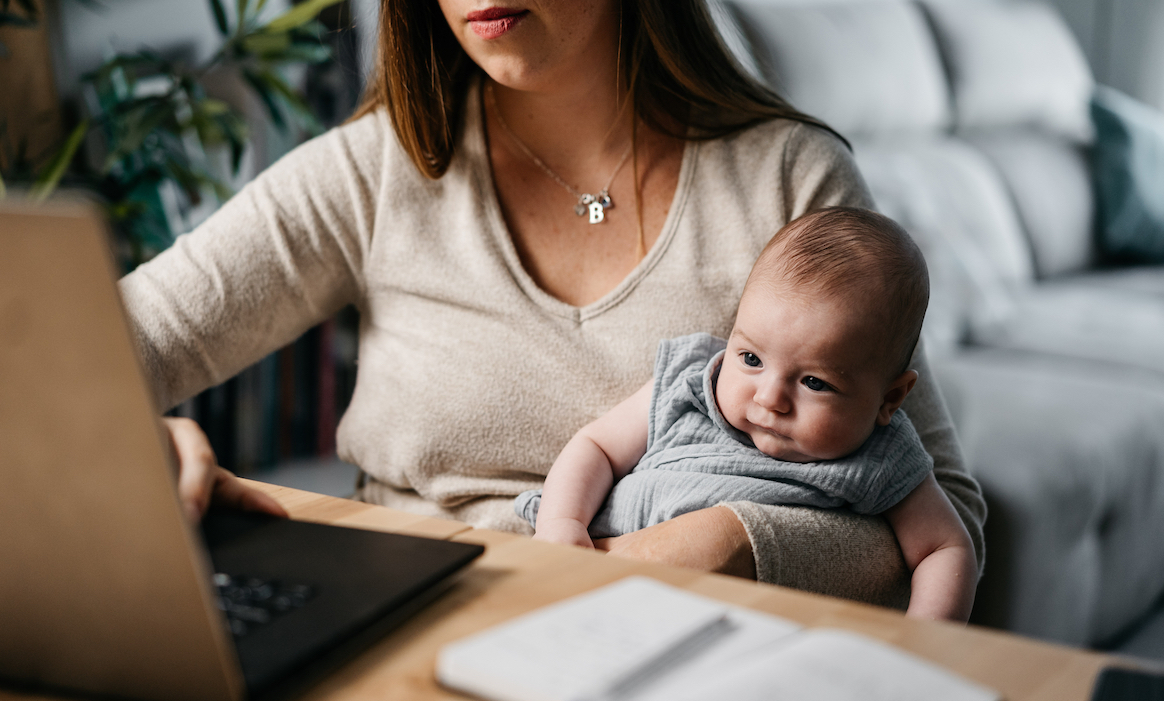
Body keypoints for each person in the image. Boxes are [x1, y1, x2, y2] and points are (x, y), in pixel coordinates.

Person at [124, 0, 986, 607]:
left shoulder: (789, 179)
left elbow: (948, 518)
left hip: (689, 649)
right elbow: (80, 351)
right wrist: (115, 436)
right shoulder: (374, 169)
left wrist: (721, 544)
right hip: (402, 622)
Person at [520, 208, 977, 621]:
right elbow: (595, 446)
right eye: (752, 360)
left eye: (814, 383)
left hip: (735, 627)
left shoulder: (883, 456)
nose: (770, 398)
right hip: (585, 573)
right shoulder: (690, 382)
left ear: (889, 400)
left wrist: (922, 642)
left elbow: (945, 547)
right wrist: (562, 524)